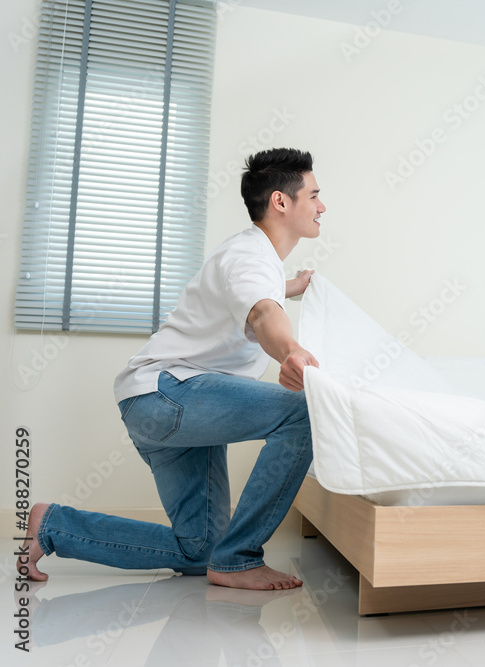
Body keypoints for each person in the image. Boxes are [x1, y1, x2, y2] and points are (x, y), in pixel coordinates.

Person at [22, 147, 326, 590]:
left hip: (165, 402)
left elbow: (261, 294)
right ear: (281, 201)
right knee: (303, 412)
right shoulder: (251, 259)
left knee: (198, 551)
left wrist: (291, 285)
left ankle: (54, 526)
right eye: (314, 195)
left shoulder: (255, 260)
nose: (322, 206)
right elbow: (262, 314)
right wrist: (290, 351)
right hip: (170, 396)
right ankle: (240, 559)